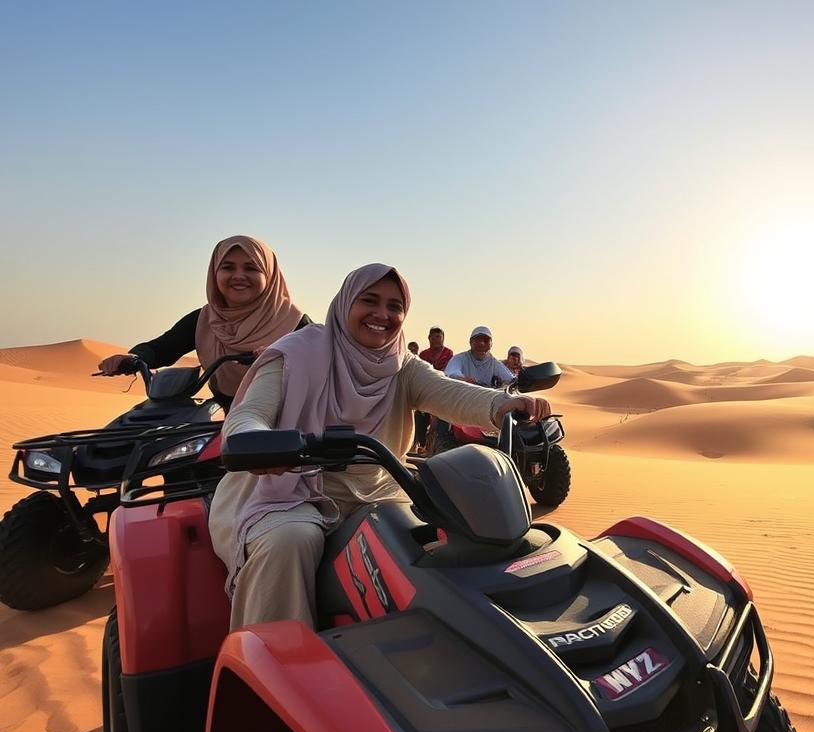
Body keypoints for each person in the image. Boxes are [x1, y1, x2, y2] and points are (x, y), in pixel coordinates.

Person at [208, 264, 551, 630]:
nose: (382, 315)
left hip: (380, 491)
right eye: (369, 301)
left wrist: (501, 405)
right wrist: (256, 441)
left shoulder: (401, 365)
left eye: (395, 306)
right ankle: (273, 660)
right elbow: (251, 413)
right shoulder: (295, 354)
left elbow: (448, 391)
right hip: (290, 490)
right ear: (344, 304)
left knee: (433, 538)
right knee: (290, 541)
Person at [97, 236, 309, 410]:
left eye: (252, 268)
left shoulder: (295, 322)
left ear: (270, 275)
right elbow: (163, 347)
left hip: (285, 423)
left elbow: (323, 362)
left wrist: (285, 358)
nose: (238, 276)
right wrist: (133, 358)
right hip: (220, 416)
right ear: (214, 272)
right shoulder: (204, 320)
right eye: (227, 267)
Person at [445, 326, 515, 388]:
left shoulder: (494, 363)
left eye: (486, 340)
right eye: (477, 340)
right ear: (470, 342)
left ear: (491, 344)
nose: (481, 344)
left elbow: (510, 379)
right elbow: (451, 372)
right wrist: (462, 379)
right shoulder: (459, 358)